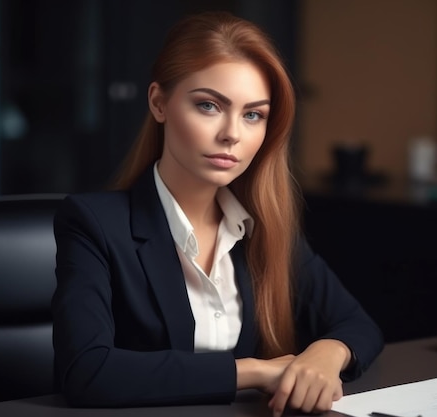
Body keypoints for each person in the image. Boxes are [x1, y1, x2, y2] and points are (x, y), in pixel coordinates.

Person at [51, 11, 383, 415]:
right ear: (159, 103)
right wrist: (255, 371)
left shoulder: (263, 228)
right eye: (208, 105)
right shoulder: (93, 223)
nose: (232, 134)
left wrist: (327, 354)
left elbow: (359, 326)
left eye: (253, 114)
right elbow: (88, 371)